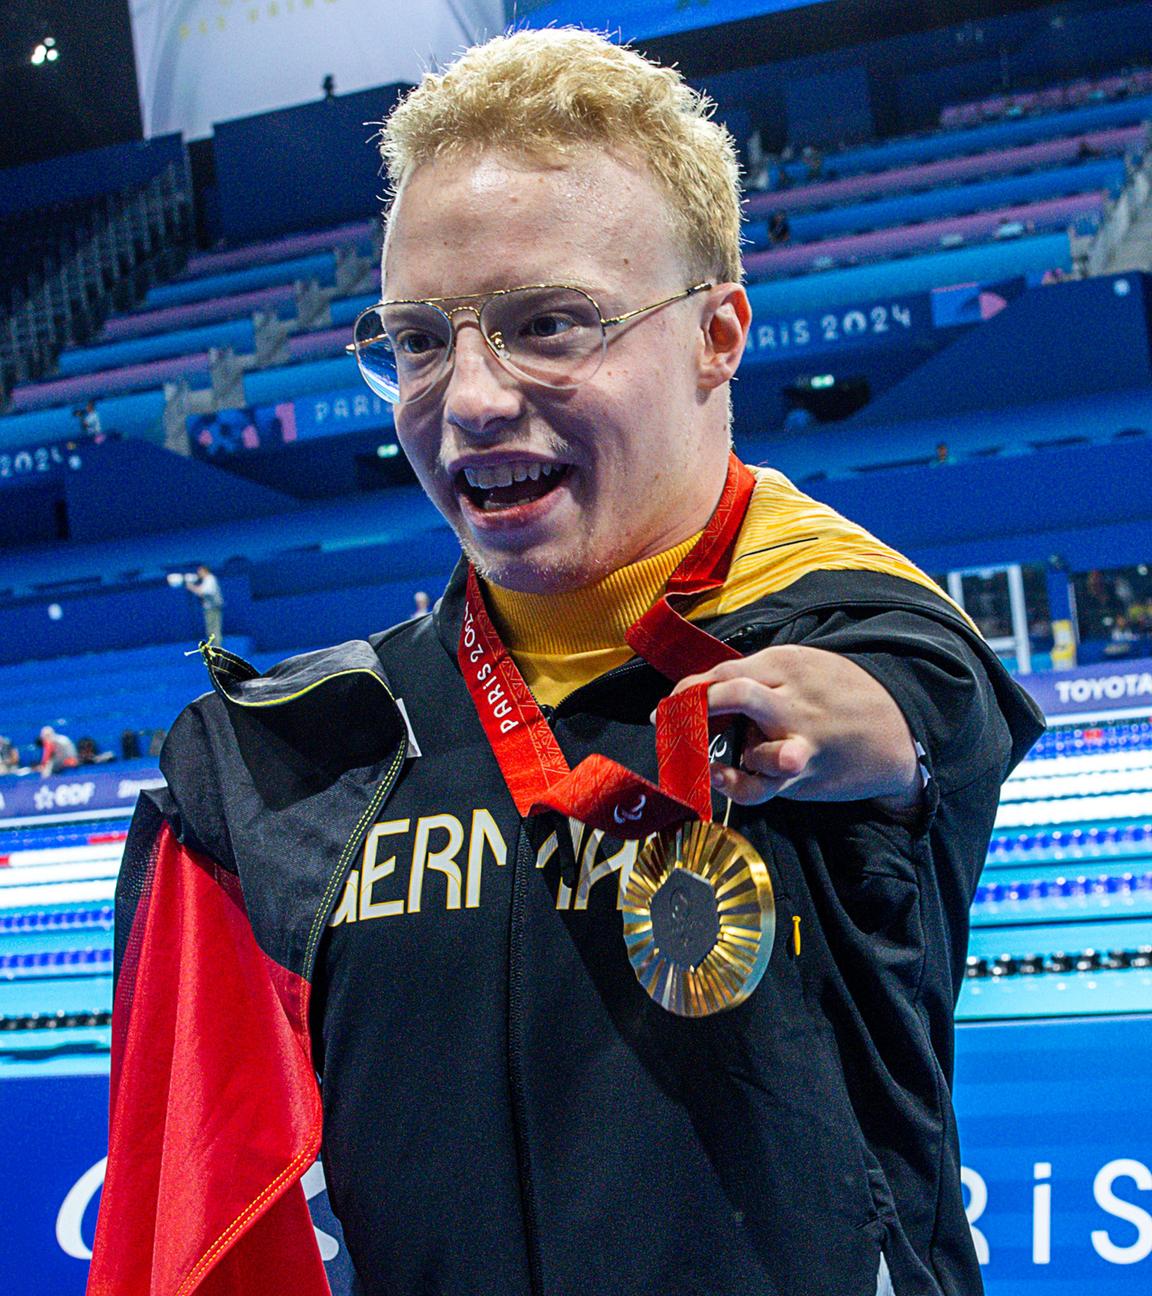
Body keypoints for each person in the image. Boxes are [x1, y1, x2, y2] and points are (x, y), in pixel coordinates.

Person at [90, 29, 1043, 1296]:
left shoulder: (849, 649)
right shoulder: (309, 761)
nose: (469, 399)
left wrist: (878, 733)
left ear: (717, 336)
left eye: (548, 325)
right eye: (418, 340)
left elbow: (928, 708)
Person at [183, 563, 224, 643]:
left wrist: (191, 587)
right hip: (209, 608)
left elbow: (204, 592)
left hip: (213, 608)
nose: (198, 573)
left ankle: (217, 647)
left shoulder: (210, 579)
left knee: (214, 630)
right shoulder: (206, 580)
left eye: (200, 571)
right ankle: (214, 646)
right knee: (210, 630)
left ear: (204, 571)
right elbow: (202, 590)